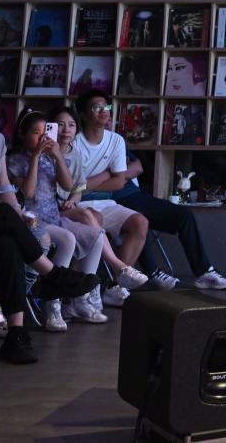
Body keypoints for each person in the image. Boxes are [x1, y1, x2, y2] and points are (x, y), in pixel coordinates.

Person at [0, 78, 98, 363]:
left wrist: (18, 213)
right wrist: (4, 212)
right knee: (3, 215)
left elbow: (4, 187)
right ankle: (52, 275)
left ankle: (16, 335)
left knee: (7, 244)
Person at [75, 90, 226, 291]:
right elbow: (77, 185)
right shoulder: (76, 143)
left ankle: (204, 272)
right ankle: (150, 273)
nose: (104, 112)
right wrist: (108, 175)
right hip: (105, 201)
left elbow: (136, 167)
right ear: (83, 115)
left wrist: (108, 177)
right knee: (137, 221)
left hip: (131, 195)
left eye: (106, 107)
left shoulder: (115, 141)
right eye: (96, 108)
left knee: (182, 215)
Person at [7, 107, 107, 330]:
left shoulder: (51, 158)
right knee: (67, 239)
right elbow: (28, 193)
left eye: (45, 132)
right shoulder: (14, 160)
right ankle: (52, 303)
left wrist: (57, 156)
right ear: (22, 134)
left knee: (96, 235)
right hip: (32, 220)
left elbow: (68, 185)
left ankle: (80, 300)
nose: (42, 138)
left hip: (53, 218)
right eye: (36, 133)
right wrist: (35, 157)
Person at [49, 106, 149, 311]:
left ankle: (88, 291)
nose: (66, 130)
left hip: (68, 207)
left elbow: (78, 187)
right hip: (49, 209)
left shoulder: (74, 154)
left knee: (91, 220)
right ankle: (113, 272)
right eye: (60, 125)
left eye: (71, 125)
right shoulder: (44, 153)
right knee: (89, 218)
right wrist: (104, 175)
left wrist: (73, 199)